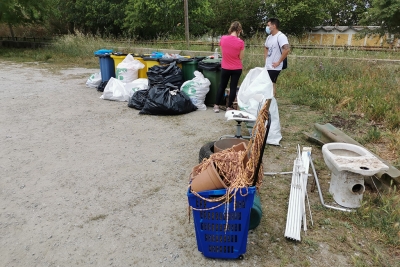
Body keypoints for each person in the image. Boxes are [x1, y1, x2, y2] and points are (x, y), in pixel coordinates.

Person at [213, 21, 245, 113]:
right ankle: (229, 107)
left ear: (231, 29)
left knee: (222, 86)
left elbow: (222, 53)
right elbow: (241, 57)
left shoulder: (223, 39)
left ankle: (216, 105)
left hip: (225, 67)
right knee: (233, 87)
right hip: (237, 68)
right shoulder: (240, 42)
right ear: (239, 30)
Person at [264, 18, 290, 97]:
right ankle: (269, 101)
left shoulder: (281, 36)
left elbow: (287, 49)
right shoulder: (269, 37)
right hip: (268, 65)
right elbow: (266, 47)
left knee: (271, 83)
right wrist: (266, 60)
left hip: (275, 66)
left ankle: (270, 102)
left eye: (268, 25)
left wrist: (278, 62)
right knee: (269, 84)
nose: (267, 27)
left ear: (274, 26)